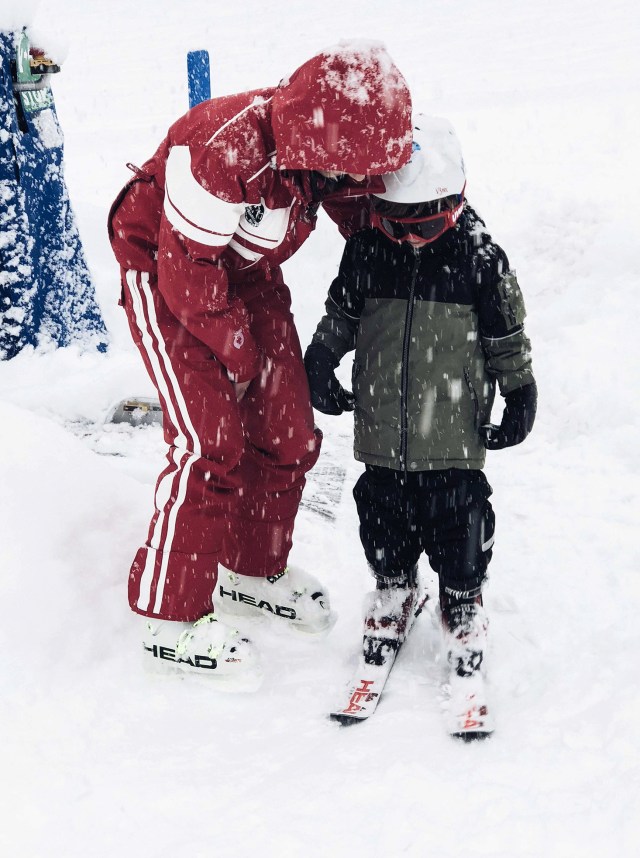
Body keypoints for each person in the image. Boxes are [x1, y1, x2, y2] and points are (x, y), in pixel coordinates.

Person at [107, 41, 412, 688]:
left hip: (246, 272)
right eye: (352, 167)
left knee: (288, 434)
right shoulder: (225, 150)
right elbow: (188, 278)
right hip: (163, 268)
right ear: (319, 141)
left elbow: (364, 215)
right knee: (209, 444)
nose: (357, 179)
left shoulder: (328, 159)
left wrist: (410, 254)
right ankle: (168, 614)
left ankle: (251, 572)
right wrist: (239, 358)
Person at [304, 114, 537, 736]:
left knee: (459, 527)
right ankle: (393, 590)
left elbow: (507, 338)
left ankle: (461, 602)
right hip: (382, 433)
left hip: (453, 438)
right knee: (381, 519)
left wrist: (519, 391)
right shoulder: (367, 249)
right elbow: (341, 314)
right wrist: (322, 356)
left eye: (425, 226)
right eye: (395, 224)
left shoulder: (481, 258)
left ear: (454, 203)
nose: (409, 239)